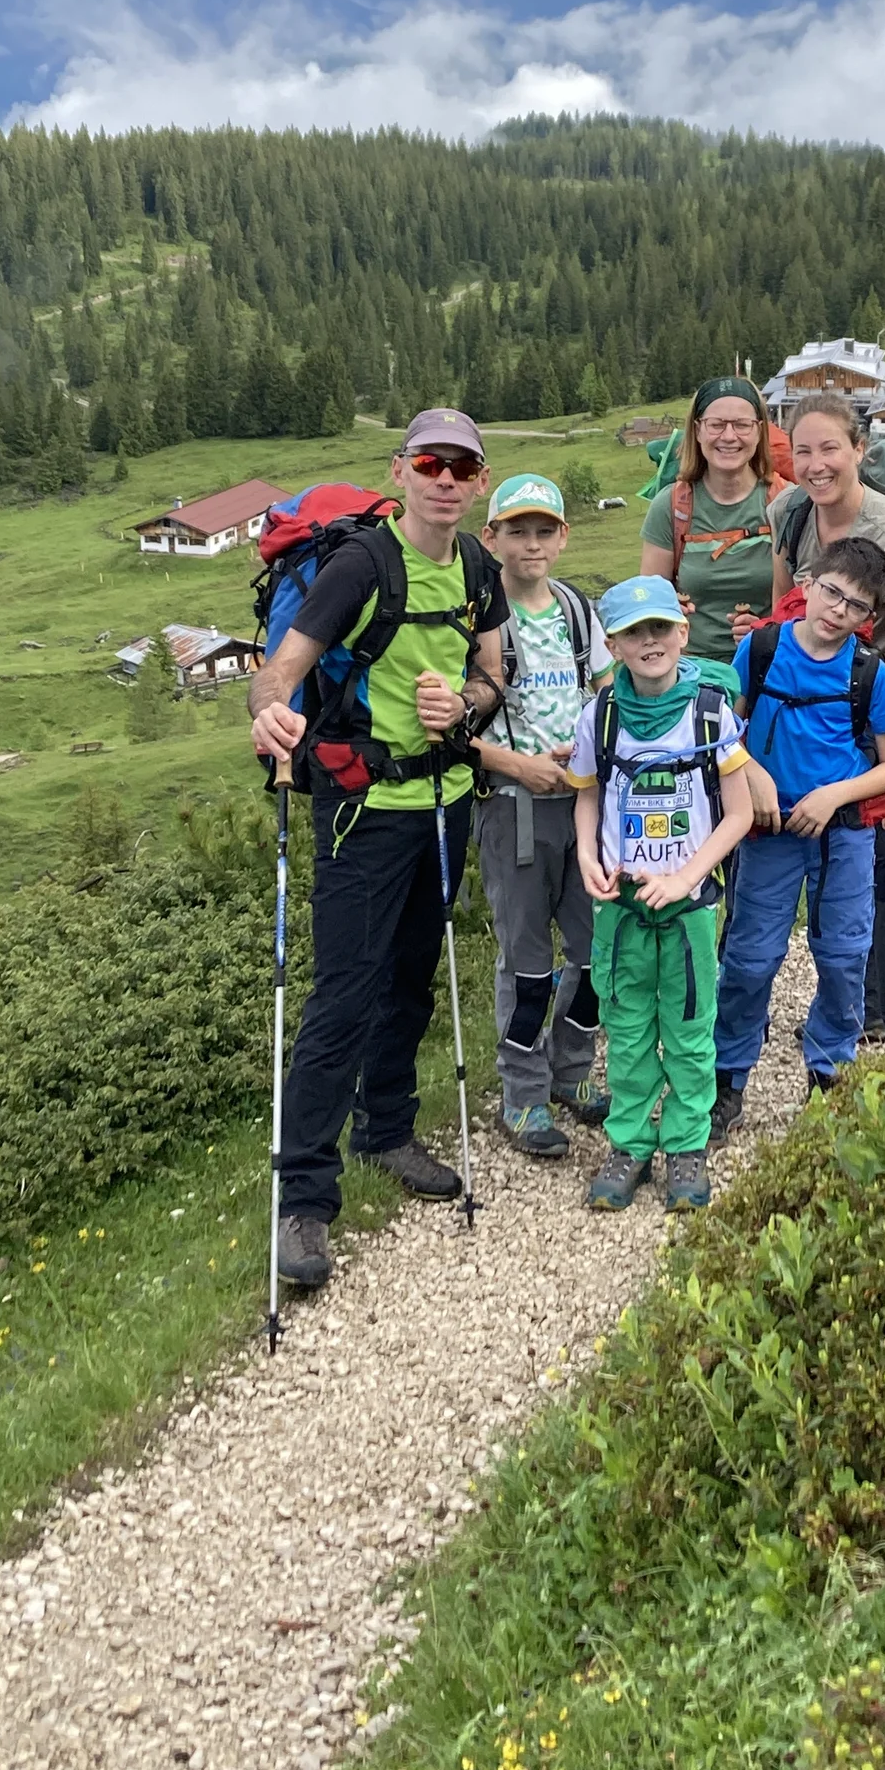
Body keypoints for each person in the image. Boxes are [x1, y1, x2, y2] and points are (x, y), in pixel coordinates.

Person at [248, 408, 509, 1292]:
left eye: (461, 467)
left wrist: (465, 710)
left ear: (479, 482)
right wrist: (272, 715)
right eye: (430, 463)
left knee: (410, 978)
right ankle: (304, 1202)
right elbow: (277, 673)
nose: (445, 479)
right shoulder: (363, 563)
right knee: (344, 994)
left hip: (444, 799)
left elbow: (492, 676)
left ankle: (387, 1129)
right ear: (401, 470)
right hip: (363, 811)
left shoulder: (479, 566)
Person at [768, 393, 885, 1046]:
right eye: (804, 451)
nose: (816, 465)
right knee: (841, 849)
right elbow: (784, 620)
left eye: (830, 449)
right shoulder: (789, 515)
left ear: (858, 452)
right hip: (829, 692)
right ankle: (853, 1008)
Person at [711, 536, 885, 1135]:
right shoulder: (762, 649)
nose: (837, 611)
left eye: (855, 606)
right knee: (749, 958)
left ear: (868, 618)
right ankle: (727, 1078)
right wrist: (753, 774)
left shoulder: (869, 673)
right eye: (830, 592)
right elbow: (724, 730)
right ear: (809, 584)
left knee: (845, 957)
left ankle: (829, 1077)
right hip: (768, 832)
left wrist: (831, 797)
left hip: (842, 835)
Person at [567, 576, 753, 1213]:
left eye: (660, 628)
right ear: (614, 645)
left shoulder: (710, 712)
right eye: (633, 632)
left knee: (691, 1031)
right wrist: (589, 856)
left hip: (689, 911)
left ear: (682, 632)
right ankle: (629, 1144)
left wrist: (685, 878)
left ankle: (686, 1147)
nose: (649, 642)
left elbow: (739, 813)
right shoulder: (601, 716)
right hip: (619, 910)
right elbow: (587, 793)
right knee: (625, 1030)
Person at [471, 471, 612, 1159]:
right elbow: (450, 731)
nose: (532, 543)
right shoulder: (476, 619)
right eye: (517, 530)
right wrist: (518, 766)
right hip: (515, 811)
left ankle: (572, 1074)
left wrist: (595, 743)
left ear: (563, 537)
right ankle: (522, 1096)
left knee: (591, 957)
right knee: (527, 965)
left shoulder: (578, 611)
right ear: (489, 537)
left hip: (584, 810)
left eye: (544, 530)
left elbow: (611, 695)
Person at [637, 377, 779, 668]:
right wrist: (666, 611)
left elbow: (803, 605)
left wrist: (767, 630)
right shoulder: (671, 506)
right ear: (698, 430)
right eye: (716, 424)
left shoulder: (784, 503)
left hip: (769, 669)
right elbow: (647, 605)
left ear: (759, 431)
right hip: (689, 673)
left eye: (742, 425)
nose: (729, 436)